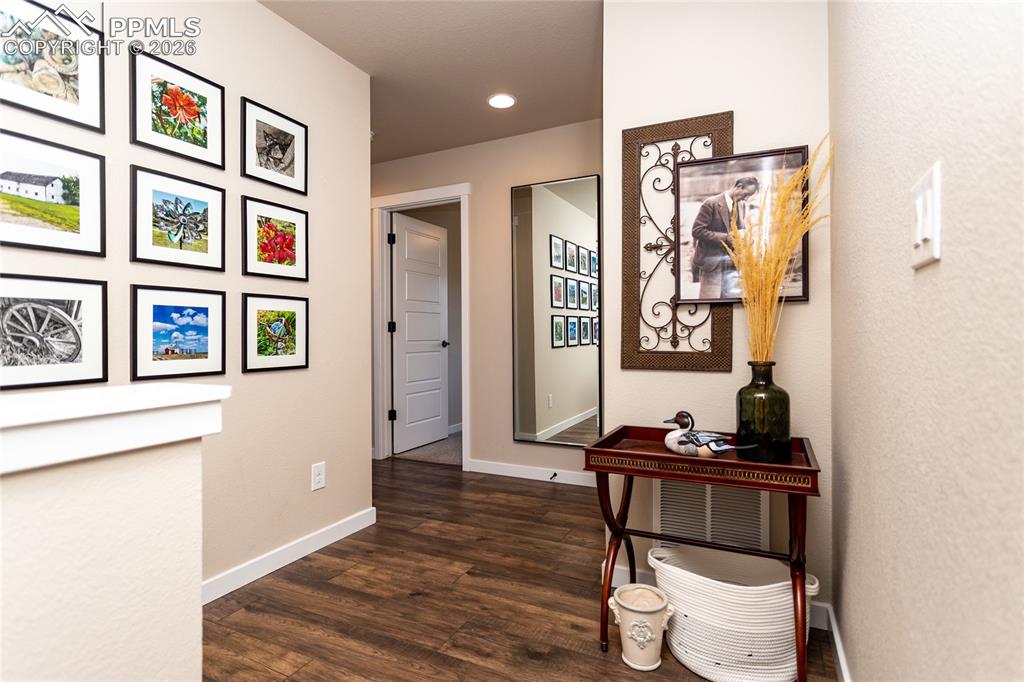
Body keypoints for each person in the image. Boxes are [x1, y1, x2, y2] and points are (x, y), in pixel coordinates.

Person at [690, 176, 760, 299]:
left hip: (732, 265)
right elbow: (697, 231)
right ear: (739, 186)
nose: (746, 198)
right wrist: (726, 238)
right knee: (709, 301)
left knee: (728, 303)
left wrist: (746, 238)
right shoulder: (710, 203)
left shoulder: (742, 205)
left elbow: (741, 229)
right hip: (711, 263)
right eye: (746, 194)